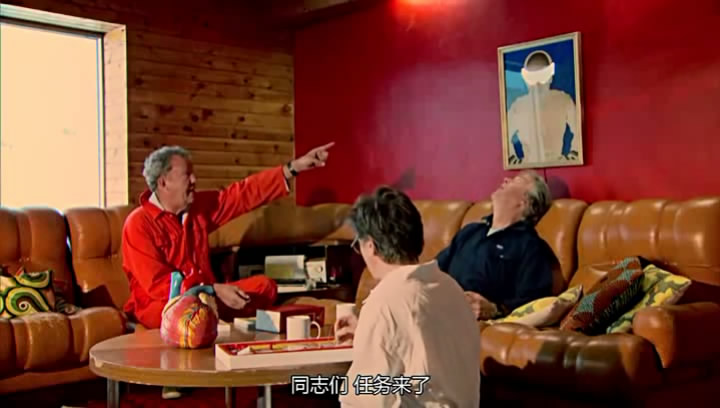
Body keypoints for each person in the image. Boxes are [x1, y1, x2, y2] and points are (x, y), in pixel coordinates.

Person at [121, 142, 332, 399]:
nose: (194, 180)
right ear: (164, 182)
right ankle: (180, 374)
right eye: (188, 174)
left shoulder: (197, 208)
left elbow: (241, 195)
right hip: (163, 306)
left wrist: (292, 168)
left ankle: (244, 348)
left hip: (210, 299)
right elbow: (158, 286)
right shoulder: (138, 224)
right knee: (189, 314)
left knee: (264, 287)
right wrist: (210, 290)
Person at [334, 187, 480, 407]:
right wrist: (367, 331)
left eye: (358, 245)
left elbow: (366, 399)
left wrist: (373, 333)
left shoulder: (385, 301)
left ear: (371, 246)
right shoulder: (450, 287)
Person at [437, 170, 555, 320]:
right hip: (439, 307)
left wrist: (495, 309)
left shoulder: (530, 246)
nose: (505, 179)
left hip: (471, 319)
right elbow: (435, 269)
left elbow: (533, 300)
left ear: (525, 202)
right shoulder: (470, 231)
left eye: (516, 181)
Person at [507, 50, 579, 166]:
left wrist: (573, 157)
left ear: (550, 77)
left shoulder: (563, 100)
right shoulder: (518, 106)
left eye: (542, 76)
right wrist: (515, 162)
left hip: (558, 164)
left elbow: (579, 131)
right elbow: (504, 138)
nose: (538, 84)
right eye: (532, 77)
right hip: (528, 167)